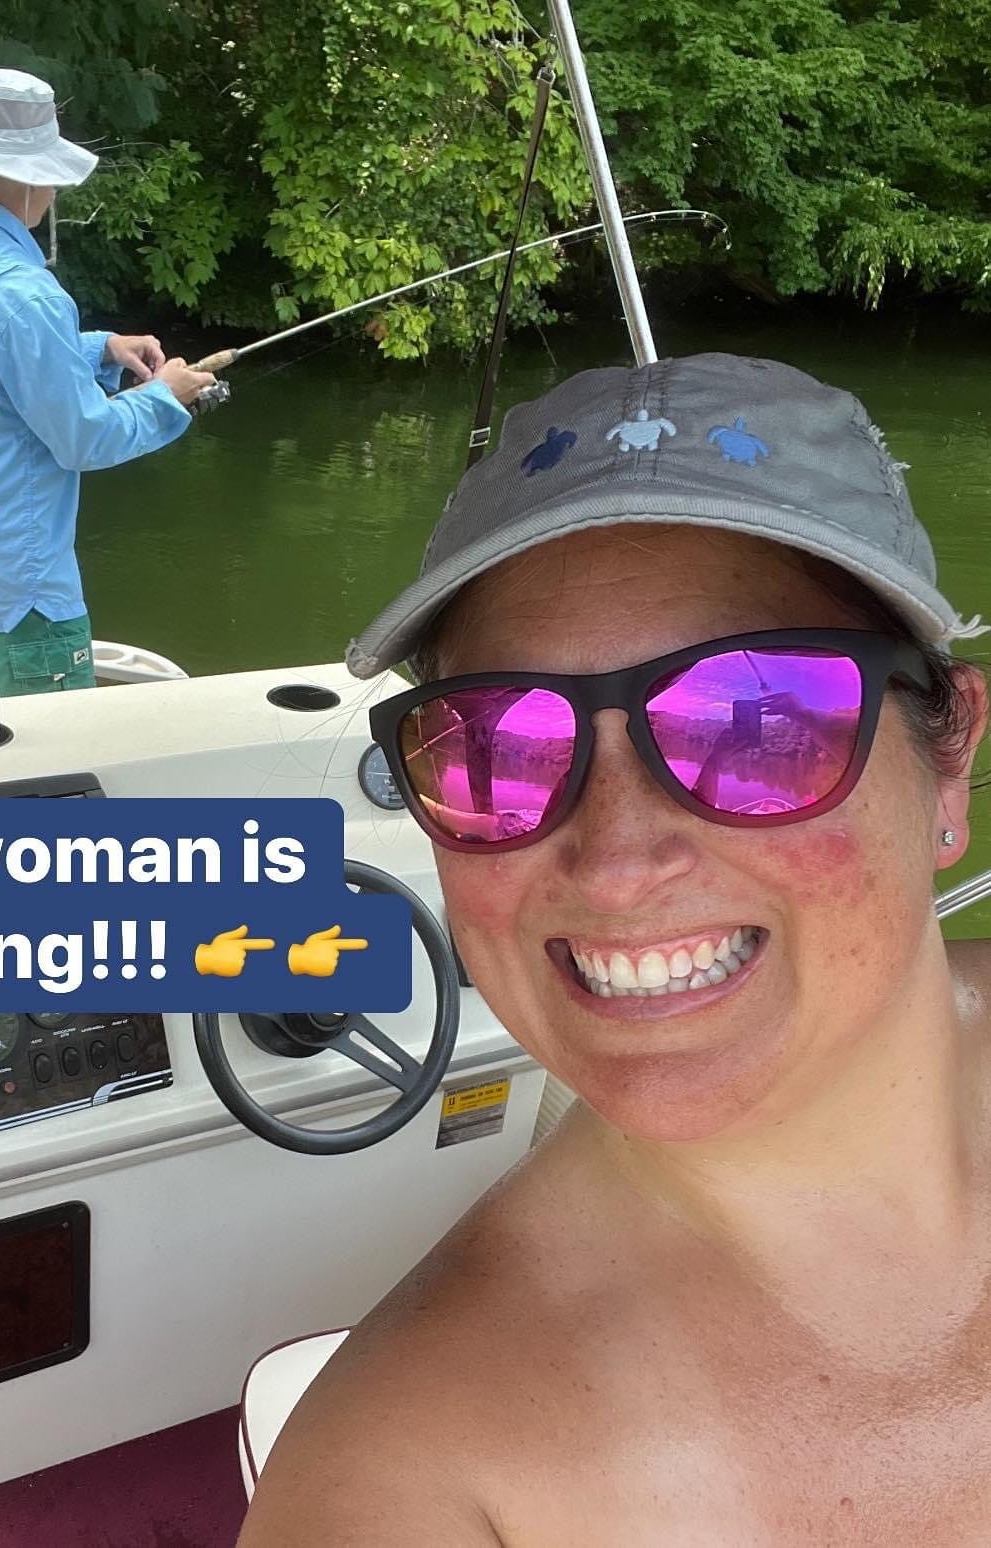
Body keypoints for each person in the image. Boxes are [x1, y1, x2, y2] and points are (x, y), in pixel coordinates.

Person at [240, 353, 991, 1543]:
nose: (618, 861)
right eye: (498, 745)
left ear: (946, 759)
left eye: (759, 724)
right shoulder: (404, 1476)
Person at [0, 68, 215, 696]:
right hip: (18, 595)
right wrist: (163, 397)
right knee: (46, 779)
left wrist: (101, 348)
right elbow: (85, 439)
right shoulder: (21, 293)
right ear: (29, 174)